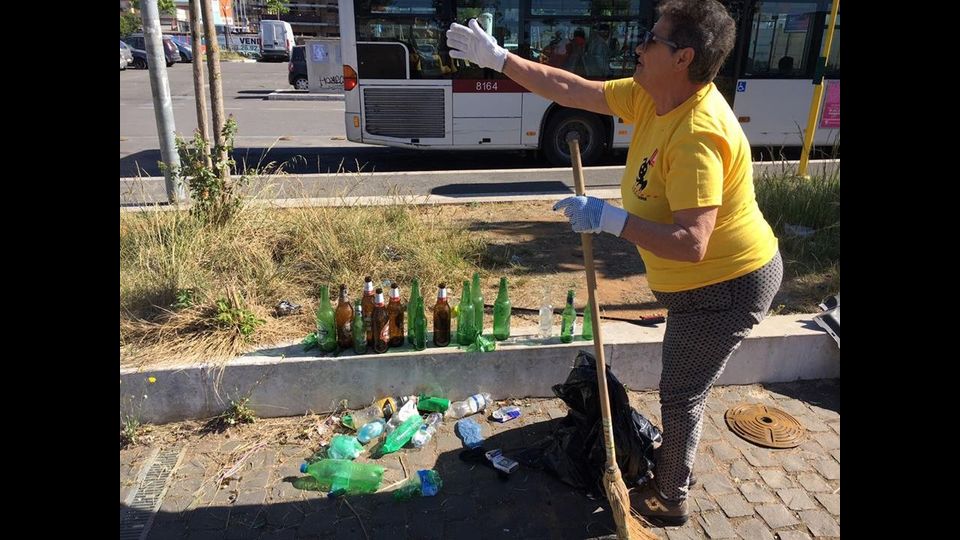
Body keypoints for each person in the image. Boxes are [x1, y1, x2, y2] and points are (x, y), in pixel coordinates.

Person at [447, 0, 782, 526]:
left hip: (727, 284)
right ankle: (670, 476)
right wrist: (500, 61)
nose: (639, 46)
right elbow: (574, 89)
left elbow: (694, 242)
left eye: (653, 38)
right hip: (697, 285)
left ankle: (670, 496)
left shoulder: (698, 134)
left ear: (683, 57)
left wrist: (610, 219)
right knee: (681, 385)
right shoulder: (653, 96)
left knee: (681, 392)